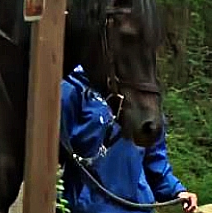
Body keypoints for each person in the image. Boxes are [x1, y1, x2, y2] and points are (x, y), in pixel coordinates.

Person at [59, 65, 198, 213]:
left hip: (138, 208)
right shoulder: (73, 88)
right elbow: (54, 160)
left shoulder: (144, 98)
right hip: (88, 207)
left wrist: (177, 190)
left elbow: (154, 159)